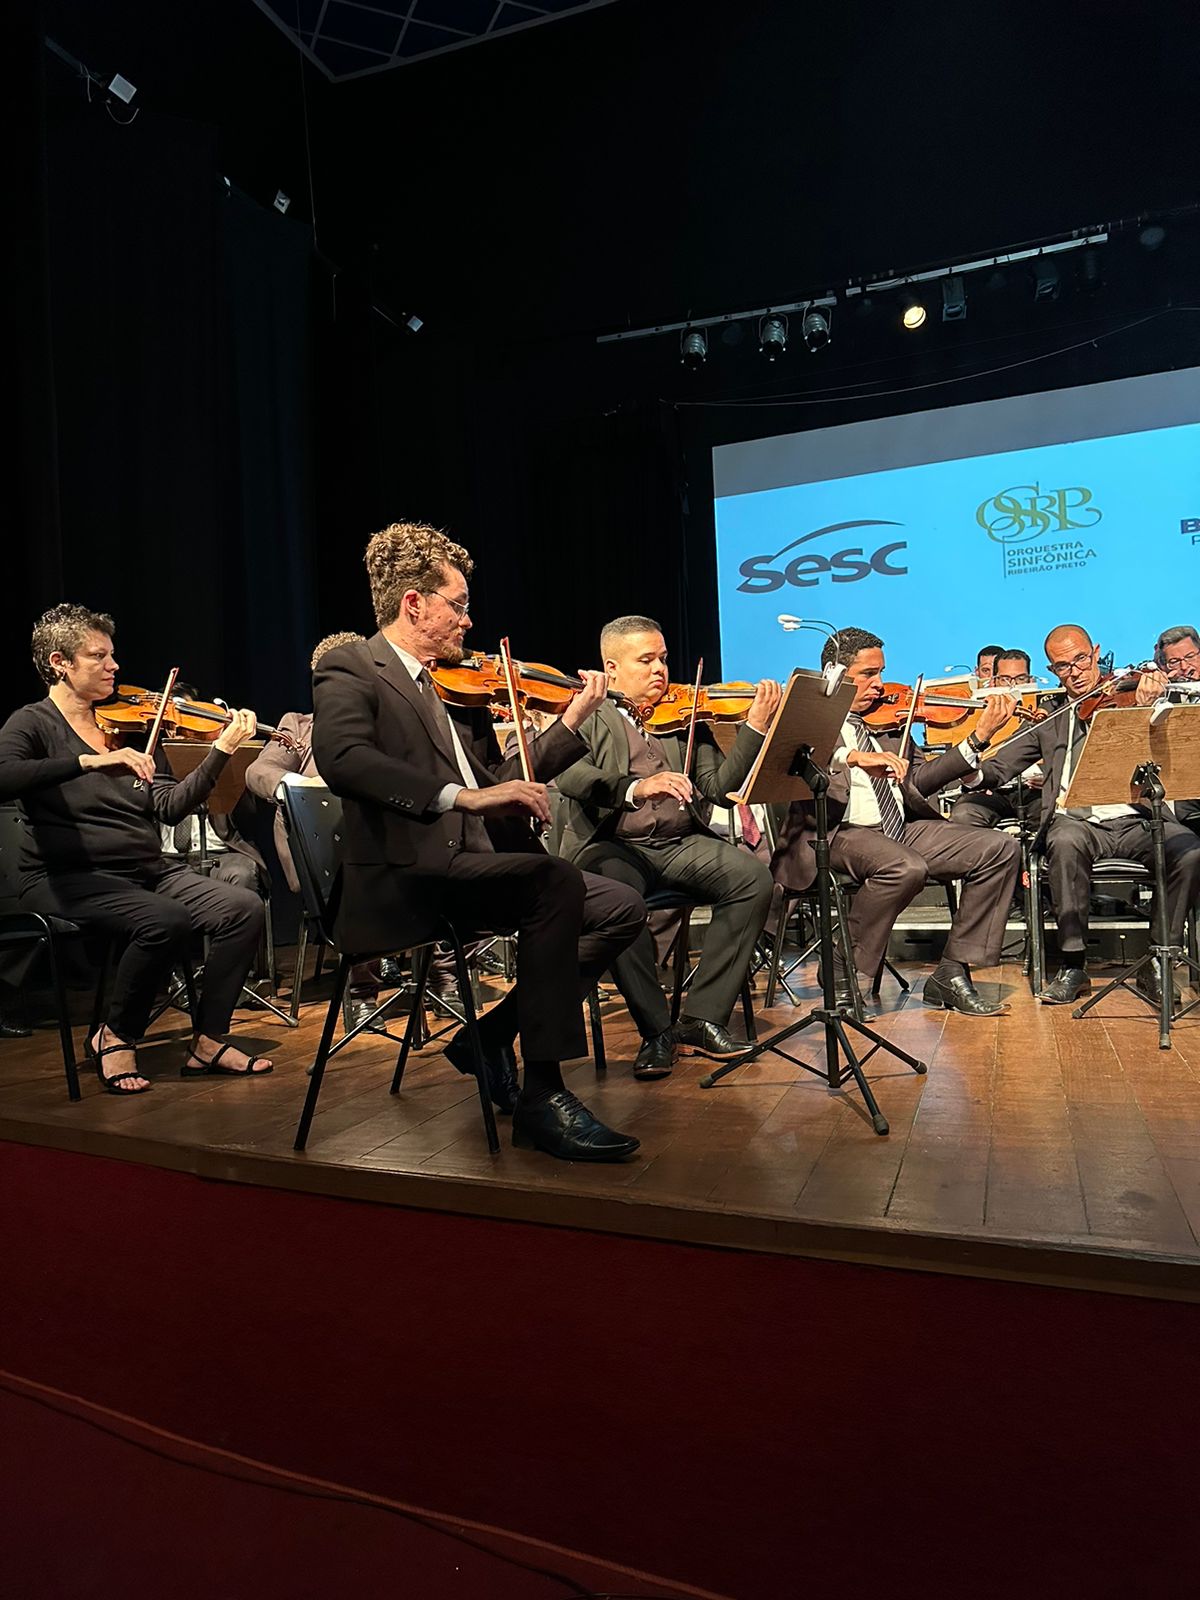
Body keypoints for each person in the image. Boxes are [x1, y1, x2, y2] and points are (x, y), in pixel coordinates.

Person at [312, 521, 647, 1163]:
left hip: (467, 865)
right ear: (415, 603)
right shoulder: (351, 664)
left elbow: (500, 782)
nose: (468, 620)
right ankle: (544, 1097)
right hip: (402, 876)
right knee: (556, 883)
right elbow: (343, 757)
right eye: (458, 604)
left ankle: (489, 1037)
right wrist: (462, 797)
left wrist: (570, 722)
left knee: (620, 908)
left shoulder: (448, 686)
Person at [0, 603, 273, 1093]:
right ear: (60, 663)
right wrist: (87, 762)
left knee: (242, 907)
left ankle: (208, 1039)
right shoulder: (33, 724)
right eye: (98, 656)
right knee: (163, 920)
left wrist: (221, 752)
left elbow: (168, 806)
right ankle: (115, 1034)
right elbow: (4, 776)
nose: (114, 666)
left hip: (145, 868)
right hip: (68, 876)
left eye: (112, 655)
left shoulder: (132, 726)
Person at [554, 616, 779, 1081]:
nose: (660, 669)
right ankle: (656, 1029)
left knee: (752, 879)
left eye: (663, 658)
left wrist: (755, 726)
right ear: (610, 669)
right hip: (612, 844)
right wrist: (637, 787)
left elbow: (719, 788)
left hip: (679, 842)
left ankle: (701, 1020)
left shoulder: (681, 717)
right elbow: (572, 778)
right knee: (618, 901)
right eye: (647, 660)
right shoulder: (585, 713)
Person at [772, 627, 1021, 1017]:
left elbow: (919, 779)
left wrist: (977, 739)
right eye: (868, 675)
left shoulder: (888, 723)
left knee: (998, 848)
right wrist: (853, 758)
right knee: (904, 867)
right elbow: (788, 766)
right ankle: (845, 967)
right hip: (837, 830)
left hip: (899, 828)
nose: (880, 684)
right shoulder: (809, 717)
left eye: (881, 673)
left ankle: (952, 972)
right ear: (835, 675)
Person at [970, 623, 1200, 1007]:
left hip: (1136, 818)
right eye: (1063, 666)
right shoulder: (1049, 716)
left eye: (1081, 659)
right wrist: (972, 763)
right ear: (1052, 671)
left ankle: (1159, 959)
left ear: (1095, 653)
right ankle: (1074, 964)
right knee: (1063, 841)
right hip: (1075, 822)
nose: (1075, 671)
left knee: (1189, 848)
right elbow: (998, 769)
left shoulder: (1133, 694)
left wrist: (1154, 700)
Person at [245, 631, 396, 1034]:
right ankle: (363, 992)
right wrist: (299, 789)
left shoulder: (386, 725)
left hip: (378, 849)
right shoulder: (298, 727)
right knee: (360, 874)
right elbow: (259, 771)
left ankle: (444, 977)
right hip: (320, 859)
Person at [951, 649, 1041, 831]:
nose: (1012, 686)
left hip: (1034, 790)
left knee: (1053, 815)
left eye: (1020, 679)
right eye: (1005, 679)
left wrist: (1051, 776)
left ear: (1031, 681)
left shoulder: (1044, 710)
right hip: (991, 790)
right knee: (964, 814)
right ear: (994, 681)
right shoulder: (974, 714)